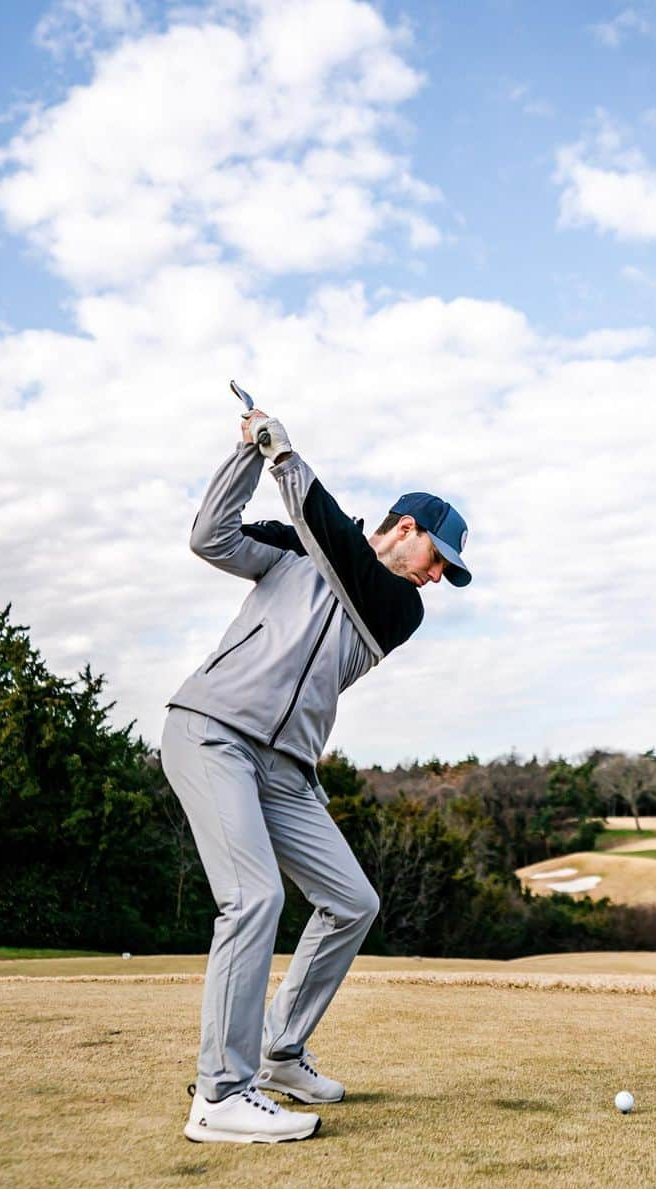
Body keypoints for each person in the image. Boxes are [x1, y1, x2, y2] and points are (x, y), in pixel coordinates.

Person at [161, 403, 471, 1144]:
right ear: (405, 527)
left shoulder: (395, 606)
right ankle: (221, 1096)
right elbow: (212, 538)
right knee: (254, 898)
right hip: (212, 733)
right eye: (438, 558)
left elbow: (340, 549)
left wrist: (288, 462)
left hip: (285, 769)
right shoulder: (297, 548)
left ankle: (278, 1053)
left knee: (352, 901)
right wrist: (249, 454)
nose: (436, 577)